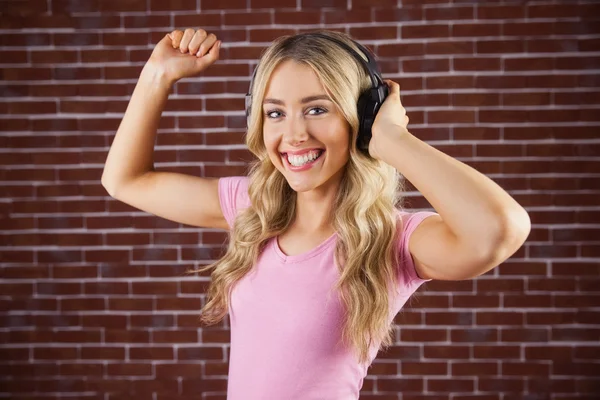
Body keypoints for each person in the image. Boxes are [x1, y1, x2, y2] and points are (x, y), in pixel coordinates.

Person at [101, 28, 531, 399]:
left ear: (360, 119)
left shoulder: (391, 240)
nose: (294, 134)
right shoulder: (254, 209)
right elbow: (124, 181)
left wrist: (392, 140)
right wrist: (157, 75)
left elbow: (499, 230)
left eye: (317, 109)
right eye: (275, 113)